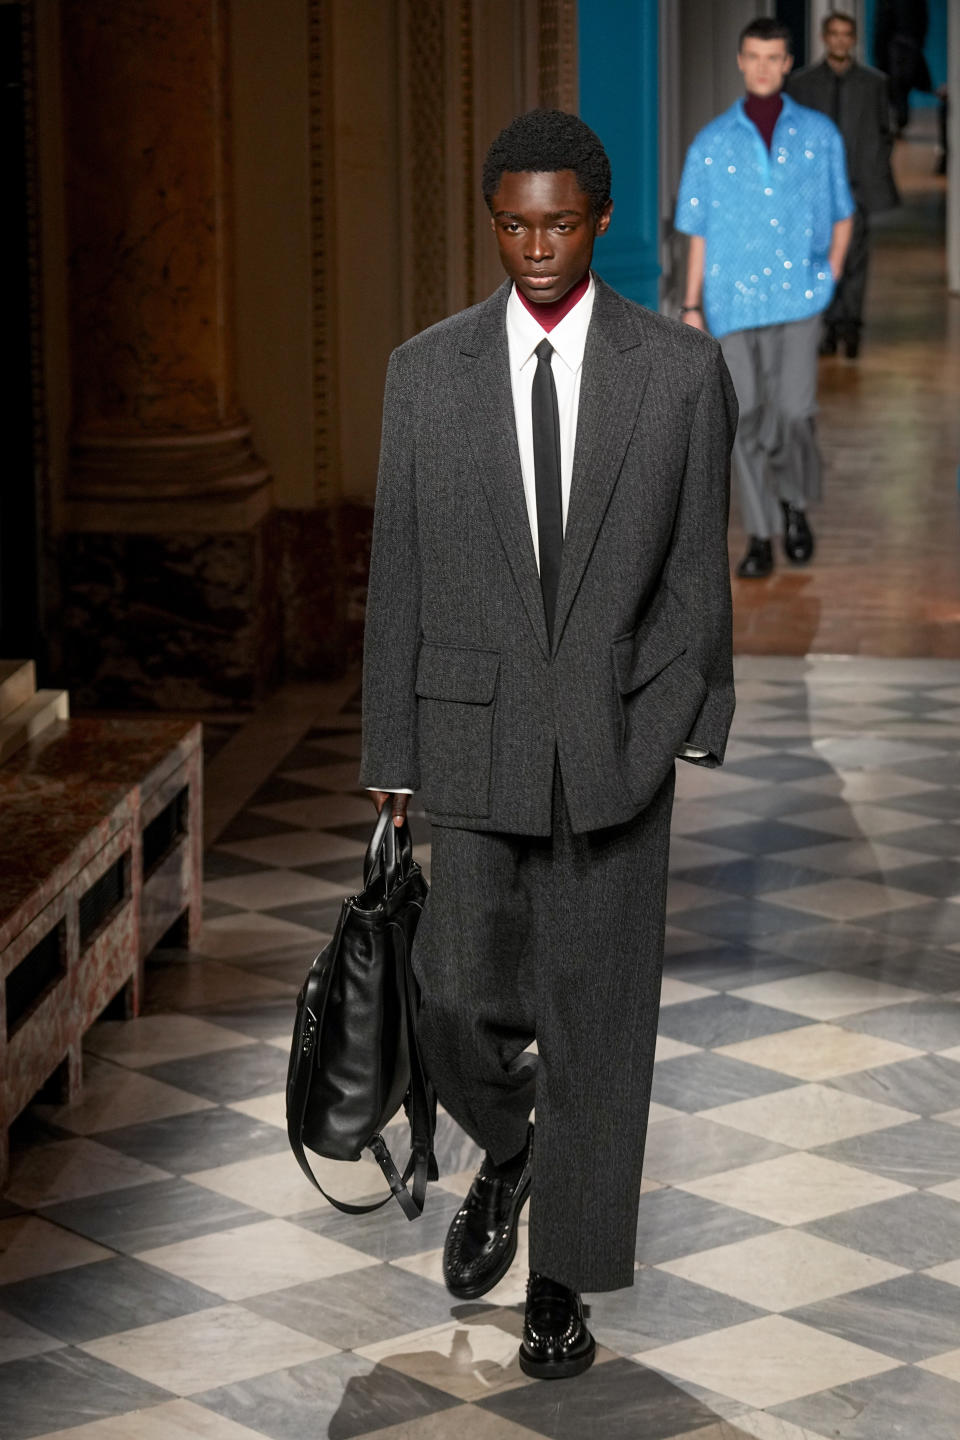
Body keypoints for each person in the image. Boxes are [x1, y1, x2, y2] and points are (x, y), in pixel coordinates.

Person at [361, 109, 736, 1380]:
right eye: (515, 222)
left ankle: (560, 1285)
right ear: (493, 220)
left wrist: (684, 721)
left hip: (614, 748)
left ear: (602, 222)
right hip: (466, 746)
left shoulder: (678, 373)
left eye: (560, 222)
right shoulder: (427, 370)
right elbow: (397, 572)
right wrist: (390, 751)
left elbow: (696, 572)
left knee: (598, 1028)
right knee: (455, 994)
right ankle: (514, 1147)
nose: (536, 246)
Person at [676, 16, 854, 579]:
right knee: (746, 416)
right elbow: (697, 229)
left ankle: (795, 504)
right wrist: (691, 303)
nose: (762, 67)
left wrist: (829, 275)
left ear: (786, 62)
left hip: (800, 296)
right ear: (739, 60)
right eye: (752, 56)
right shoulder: (710, 144)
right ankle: (759, 533)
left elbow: (843, 211)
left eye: (773, 57)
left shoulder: (820, 135)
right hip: (730, 302)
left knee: (795, 411)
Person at [789, 10, 899, 358]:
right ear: (825, 37)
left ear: (853, 39)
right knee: (820, 257)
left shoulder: (874, 83)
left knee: (855, 259)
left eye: (846, 34)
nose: (840, 40)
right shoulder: (801, 84)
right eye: (833, 33)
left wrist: (872, 173)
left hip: (857, 186)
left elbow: (885, 133)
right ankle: (827, 328)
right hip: (814, 189)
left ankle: (850, 327)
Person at [875, 0, 931, 136]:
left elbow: (882, 23)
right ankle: (899, 120)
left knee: (898, 85)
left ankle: (899, 120)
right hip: (903, 44)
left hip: (898, 45)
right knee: (899, 85)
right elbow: (923, 21)